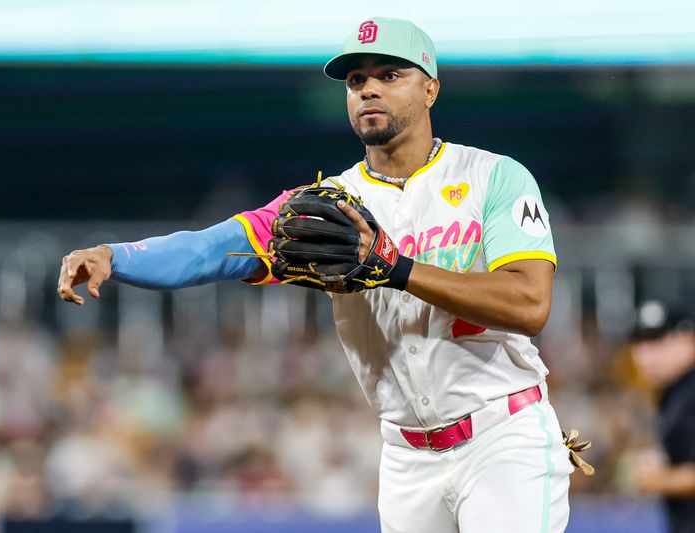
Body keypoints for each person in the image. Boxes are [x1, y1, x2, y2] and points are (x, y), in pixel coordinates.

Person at [58, 17, 577, 533]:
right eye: (356, 81)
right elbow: (210, 249)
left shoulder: (493, 177)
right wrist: (116, 255)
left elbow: (529, 305)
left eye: (389, 75)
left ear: (431, 89)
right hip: (405, 457)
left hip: (503, 435)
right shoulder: (325, 208)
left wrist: (395, 269)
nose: (369, 89)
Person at [629, 300, 695, 533]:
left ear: (688, 340)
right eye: (639, 343)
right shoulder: (674, 391)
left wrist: (660, 479)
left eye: (657, 342)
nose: (645, 356)